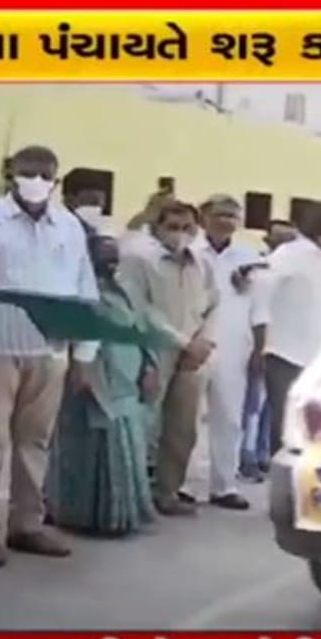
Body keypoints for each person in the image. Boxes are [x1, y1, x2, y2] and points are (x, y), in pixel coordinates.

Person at [0, 145, 97, 567]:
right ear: (11, 174)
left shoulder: (68, 225)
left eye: (45, 174)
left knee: (35, 442)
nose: (36, 180)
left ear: (56, 180)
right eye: (27, 171)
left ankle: (26, 524)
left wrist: (85, 351)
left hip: (50, 350)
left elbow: (83, 286)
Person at [50, 233, 172, 535]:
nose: (111, 263)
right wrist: (81, 368)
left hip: (127, 375)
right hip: (91, 373)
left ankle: (120, 516)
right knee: (87, 445)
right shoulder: (73, 290)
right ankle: (81, 515)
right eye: (103, 257)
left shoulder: (126, 290)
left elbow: (143, 326)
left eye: (114, 257)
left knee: (125, 444)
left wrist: (150, 366)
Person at [117, 197, 218, 516]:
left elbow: (215, 304)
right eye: (172, 226)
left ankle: (167, 491)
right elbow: (140, 309)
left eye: (187, 227)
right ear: (157, 227)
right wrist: (183, 342)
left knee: (183, 428)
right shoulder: (138, 259)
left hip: (193, 356)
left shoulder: (202, 263)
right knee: (144, 425)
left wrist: (204, 341)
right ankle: (132, 495)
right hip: (152, 349)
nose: (180, 233)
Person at [182, 195, 264, 510]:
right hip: (193, 341)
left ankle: (224, 485)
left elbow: (261, 307)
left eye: (232, 215)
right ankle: (186, 484)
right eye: (219, 214)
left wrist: (260, 347)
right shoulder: (189, 251)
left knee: (229, 416)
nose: (226, 221)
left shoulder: (250, 257)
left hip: (234, 345)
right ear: (204, 217)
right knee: (187, 416)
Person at [261, 201, 321, 458]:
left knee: (318, 430)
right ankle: (281, 479)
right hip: (286, 355)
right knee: (286, 430)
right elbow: (258, 282)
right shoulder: (292, 254)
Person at [239, 218, 299, 479]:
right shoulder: (259, 269)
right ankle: (247, 455)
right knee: (254, 405)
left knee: (272, 409)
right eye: (280, 239)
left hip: (284, 346)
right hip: (260, 341)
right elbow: (259, 312)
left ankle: (263, 454)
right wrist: (259, 347)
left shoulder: (292, 272)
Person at [62, 169, 107, 236]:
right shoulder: (58, 231)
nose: (99, 209)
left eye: (102, 204)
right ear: (69, 200)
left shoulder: (92, 232)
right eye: (93, 202)